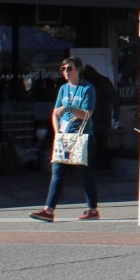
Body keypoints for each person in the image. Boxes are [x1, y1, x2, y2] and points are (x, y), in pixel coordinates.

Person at [31, 57, 97, 222]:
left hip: (81, 136)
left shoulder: (87, 89)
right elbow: (55, 113)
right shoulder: (63, 89)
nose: (66, 72)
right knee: (57, 171)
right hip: (64, 135)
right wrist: (57, 133)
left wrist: (68, 108)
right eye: (64, 69)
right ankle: (49, 210)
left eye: (69, 68)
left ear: (78, 69)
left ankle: (92, 208)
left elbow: (87, 115)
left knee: (83, 172)